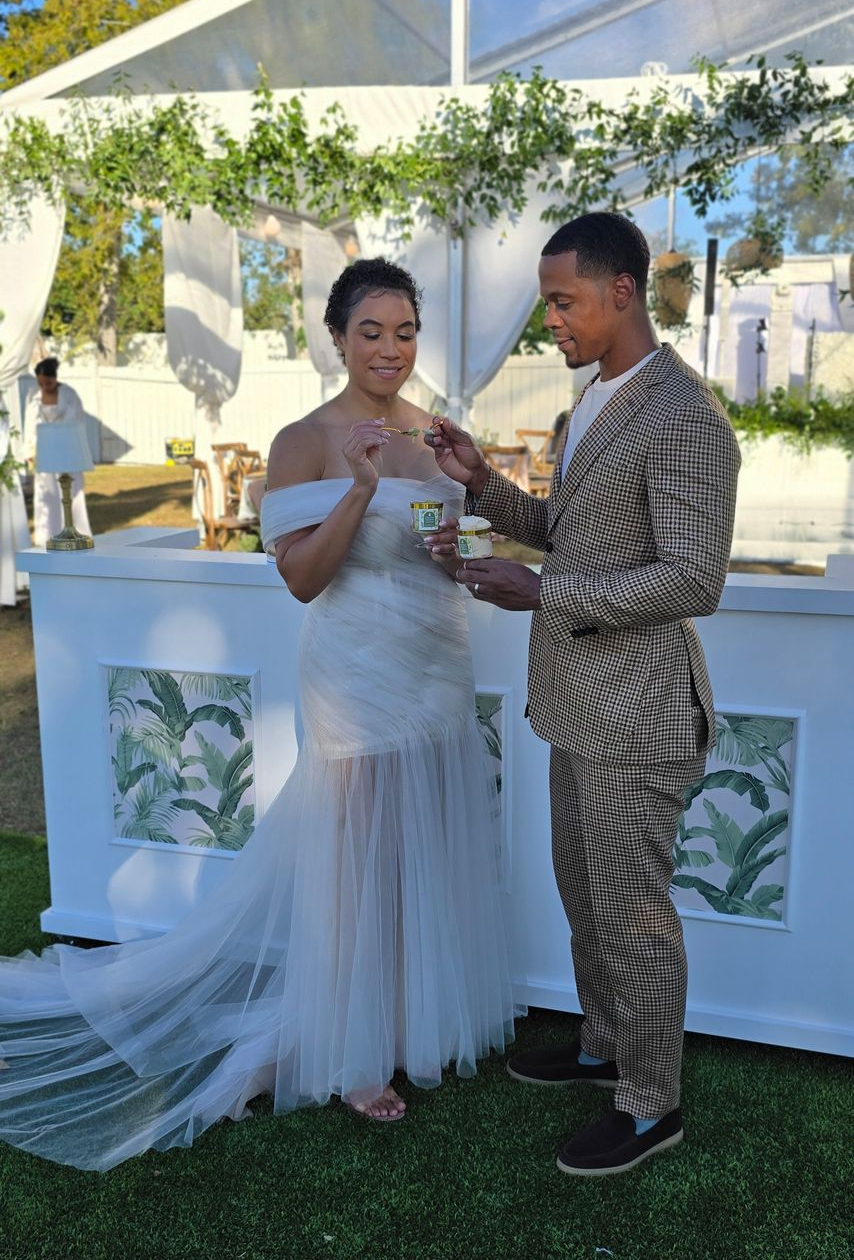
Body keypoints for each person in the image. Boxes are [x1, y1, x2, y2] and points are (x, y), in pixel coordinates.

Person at [0, 259, 515, 1169]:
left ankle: (400, 1021)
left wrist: (460, 537)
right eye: (371, 332)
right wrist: (359, 488)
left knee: (417, 854)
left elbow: (469, 556)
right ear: (337, 337)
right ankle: (352, 1055)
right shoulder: (303, 439)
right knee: (356, 868)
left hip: (437, 665)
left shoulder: (440, 434)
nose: (390, 350)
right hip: (357, 673)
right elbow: (303, 581)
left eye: (405, 332)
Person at [426, 212, 741, 1176]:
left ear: (621, 292)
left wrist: (543, 592)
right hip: (575, 702)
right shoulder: (594, 401)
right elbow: (571, 533)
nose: (550, 321)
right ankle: (604, 1043)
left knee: (633, 909)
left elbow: (697, 579)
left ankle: (653, 1105)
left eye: (562, 302)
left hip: (639, 713)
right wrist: (483, 484)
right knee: (584, 891)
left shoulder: (684, 416)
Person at [25, 357, 92, 547]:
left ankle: (77, 532)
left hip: (67, 448)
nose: (45, 387)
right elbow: (29, 424)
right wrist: (30, 450)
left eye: (49, 382)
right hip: (45, 450)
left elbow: (77, 421)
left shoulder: (70, 394)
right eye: (41, 383)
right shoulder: (32, 395)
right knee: (46, 494)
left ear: (55, 378)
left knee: (72, 492)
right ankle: (47, 535)